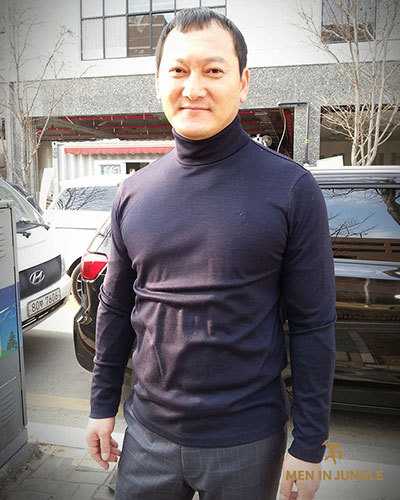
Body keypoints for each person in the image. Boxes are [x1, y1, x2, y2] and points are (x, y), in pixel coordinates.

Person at [86, 7, 336, 500]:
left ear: (243, 83)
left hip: (248, 441)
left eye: (214, 70)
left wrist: (309, 445)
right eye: (178, 70)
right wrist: (101, 405)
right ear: (159, 82)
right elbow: (115, 308)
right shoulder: (133, 192)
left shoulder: (291, 188)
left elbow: (312, 325)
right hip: (146, 434)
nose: (193, 87)